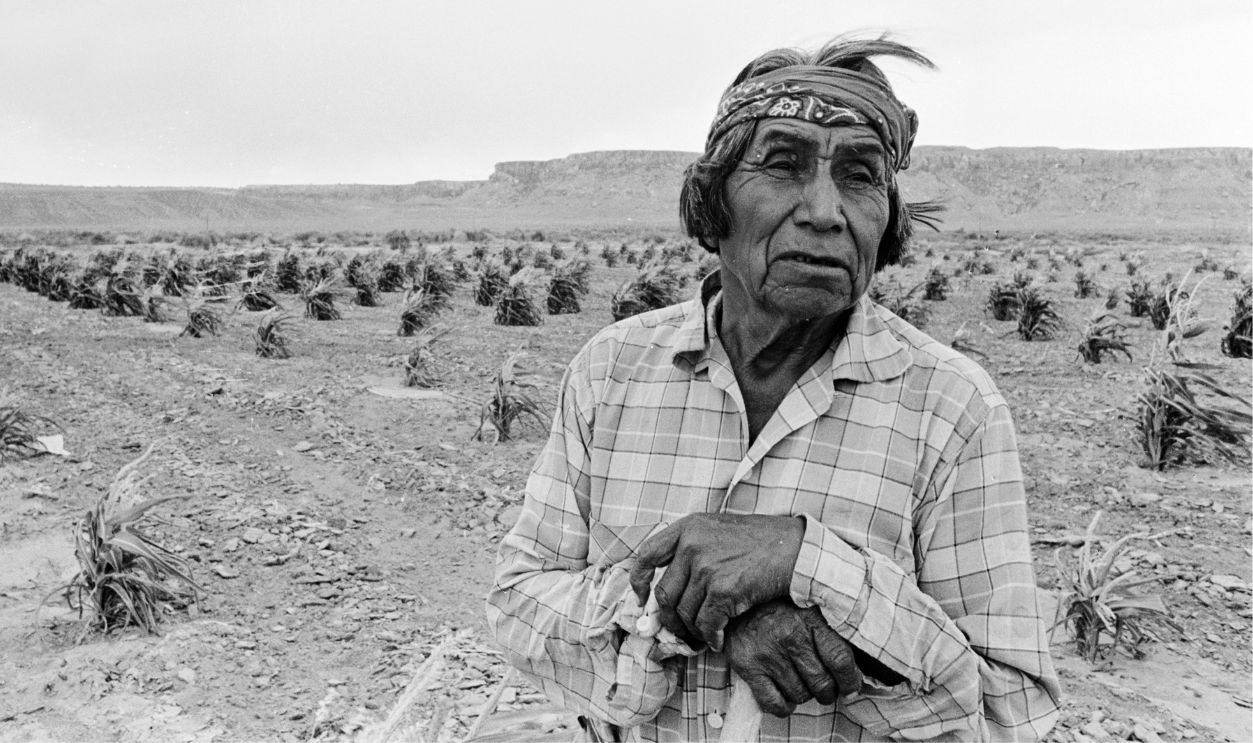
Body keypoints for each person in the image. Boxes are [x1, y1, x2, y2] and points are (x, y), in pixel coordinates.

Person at [487, 34, 1060, 742]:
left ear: (886, 220)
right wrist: (695, 612)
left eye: (860, 175)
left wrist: (805, 560)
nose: (824, 211)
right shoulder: (613, 370)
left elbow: (1010, 711)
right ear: (713, 203)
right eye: (783, 165)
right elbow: (519, 603)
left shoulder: (950, 405)